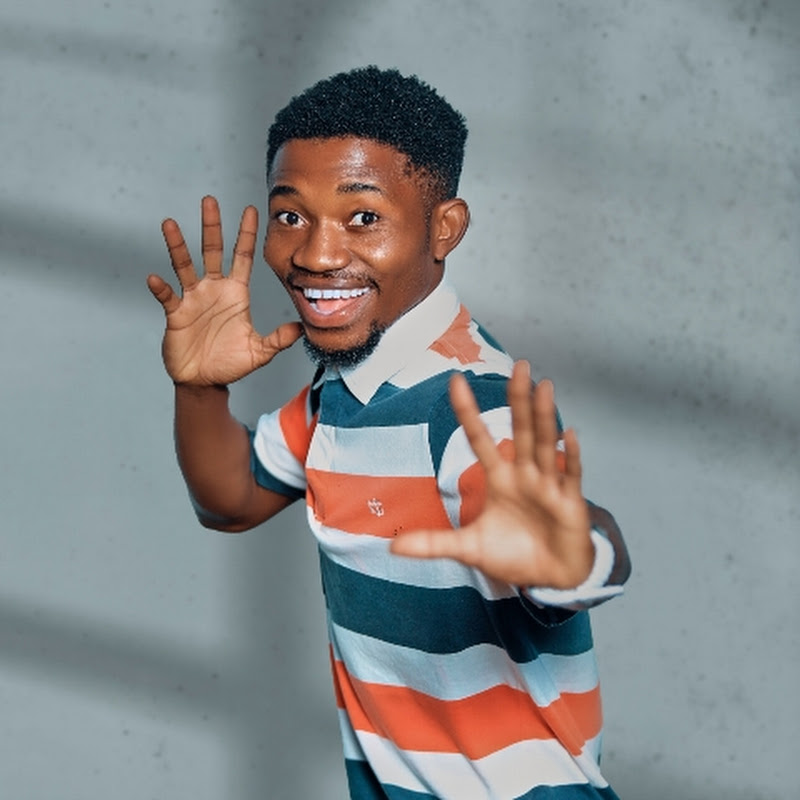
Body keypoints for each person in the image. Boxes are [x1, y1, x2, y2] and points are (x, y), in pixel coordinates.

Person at [147, 66, 631, 800]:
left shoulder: (470, 404)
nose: (315, 255)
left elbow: (566, 540)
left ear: (445, 228)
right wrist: (199, 388)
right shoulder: (346, 390)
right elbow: (232, 498)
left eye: (363, 218)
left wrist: (573, 557)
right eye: (291, 216)